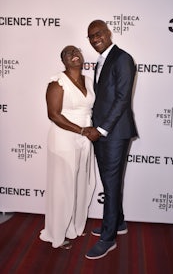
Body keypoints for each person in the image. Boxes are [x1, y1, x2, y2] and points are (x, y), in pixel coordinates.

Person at [84, 20, 138, 259]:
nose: (95, 38)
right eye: (91, 36)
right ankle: (119, 222)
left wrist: (102, 129)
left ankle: (108, 238)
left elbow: (122, 99)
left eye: (98, 34)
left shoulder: (122, 58)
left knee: (112, 182)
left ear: (108, 33)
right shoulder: (102, 60)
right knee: (109, 182)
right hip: (102, 132)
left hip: (114, 133)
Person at [39, 45, 96, 249]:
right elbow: (53, 114)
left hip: (85, 139)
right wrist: (82, 130)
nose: (74, 55)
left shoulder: (89, 81)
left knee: (81, 184)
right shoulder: (57, 82)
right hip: (64, 139)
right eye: (68, 53)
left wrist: (91, 131)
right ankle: (56, 233)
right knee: (62, 188)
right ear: (63, 60)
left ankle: (73, 226)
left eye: (76, 51)